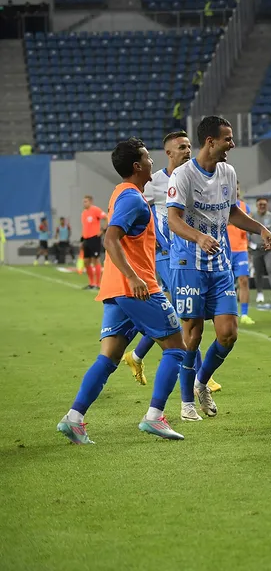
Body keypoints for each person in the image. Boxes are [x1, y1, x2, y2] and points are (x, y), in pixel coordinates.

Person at [56, 138, 187, 444]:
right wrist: (134, 277)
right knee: (177, 348)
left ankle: (74, 418)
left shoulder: (121, 193)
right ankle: (155, 416)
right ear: (137, 166)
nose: (152, 162)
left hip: (116, 290)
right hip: (137, 288)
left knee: (109, 357)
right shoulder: (132, 199)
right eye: (148, 158)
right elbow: (110, 239)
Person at [167, 116, 271, 421]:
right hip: (188, 263)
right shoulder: (183, 175)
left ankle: (201, 382)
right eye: (227, 139)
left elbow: (232, 212)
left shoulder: (228, 172)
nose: (232, 144)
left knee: (228, 334)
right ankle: (186, 403)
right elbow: (173, 220)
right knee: (193, 335)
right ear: (210, 141)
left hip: (219, 263)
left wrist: (261, 229)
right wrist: (199, 237)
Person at [123, 130, 195, 388]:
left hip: (189, 253)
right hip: (165, 253)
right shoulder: (155, 182)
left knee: (176, 310)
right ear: (169, 153)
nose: (188, 151)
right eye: (182, 147)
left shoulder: (194, 178)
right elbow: (141, 211)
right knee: (185, 312)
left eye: (189, 146)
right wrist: (152, 240)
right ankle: (196, 374)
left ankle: (136, 355)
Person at [227, 185, 254, 325]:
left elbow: (250, 224)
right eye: (233, 188)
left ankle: (244, 314)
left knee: (243, 280)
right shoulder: (220, 205)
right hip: (224, 249)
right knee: (224, 283)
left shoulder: (245, 207)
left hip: (241, 250)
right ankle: (222, 313)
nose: (235, 191)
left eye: (237, 188)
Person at [250, 197, 271, 304]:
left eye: (264, 204)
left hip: (269, 249)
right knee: (258, 271)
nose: (262, 206)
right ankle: (259, 293)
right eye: (260, 204)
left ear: (267, 205)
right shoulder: (252, 217)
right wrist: (249, 244)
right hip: (256, 249)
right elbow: (246, 231)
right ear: (256, 205)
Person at [80, 195, 108, 290]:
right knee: (86, 262)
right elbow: (85, 227)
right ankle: (91, 283)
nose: (84, 203)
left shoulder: (95, 210)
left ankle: (98, 284)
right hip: (86, 239)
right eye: (84, 202)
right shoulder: (84, 213)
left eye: (86, 201)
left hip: (94, 238)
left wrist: (103, 230)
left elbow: (106, 218)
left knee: (95, 260)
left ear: (91, 202)